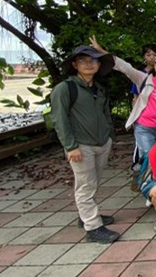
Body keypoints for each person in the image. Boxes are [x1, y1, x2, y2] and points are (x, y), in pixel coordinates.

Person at [51, 45, 120, 243]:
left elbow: (105, 115)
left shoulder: (98, 88)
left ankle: (87, 216)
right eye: (84, 60)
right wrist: (70, 146)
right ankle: (93, 227)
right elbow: (59, 119)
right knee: (85, 185)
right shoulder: (65, 89)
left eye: (94, 60)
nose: (89, 64)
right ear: (74, 64)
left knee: (94, 181)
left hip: (101, 142)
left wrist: (109, 137)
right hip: (81, 145)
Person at [89, 37, 156, 162]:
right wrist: (101, 51)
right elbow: (124, 66)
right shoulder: (143, 78)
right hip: (144, 126)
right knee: (150, 157)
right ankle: (149, 181)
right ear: (155, 65)